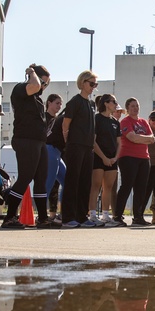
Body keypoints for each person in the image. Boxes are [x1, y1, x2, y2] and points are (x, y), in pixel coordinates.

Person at [3, 64, 58, 229]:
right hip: (25, 140)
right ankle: (10, 216)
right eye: (43, 82)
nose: (43, 87)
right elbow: (33, 86)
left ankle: (42, 218)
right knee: (25, 177)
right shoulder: (21, 90)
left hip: (39, 142)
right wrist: (32, 72)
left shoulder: (38, 100)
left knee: (40, 179)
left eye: (46, 84)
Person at [60, 71, 98, 228]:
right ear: (83, 83)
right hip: (75, 146)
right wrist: (68, 142)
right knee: (72, 181)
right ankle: (68, 217)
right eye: (91, 84)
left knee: (85, 183)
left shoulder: (90, 104)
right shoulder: (75, 102)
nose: (93, 87)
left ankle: (82, 216)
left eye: (95, 85)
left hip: (88, 148)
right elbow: (65, 124)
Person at [114, 98, 155, 226]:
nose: (135, 108)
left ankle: (138, 217)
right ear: (127, 108)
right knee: (127, 186)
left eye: (137, 106)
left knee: (141, 188)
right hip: (128, 157)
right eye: (132, 106)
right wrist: (144, 139)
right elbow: (132, 137)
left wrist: (140, 138)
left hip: (144, 158)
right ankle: (118, 216)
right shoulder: (125, 121)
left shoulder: (143, 122)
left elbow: (152, 138)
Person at [89, 93, 121, 226]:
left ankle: (106, 215)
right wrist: (104, 157)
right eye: (113, 102)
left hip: (112, 159)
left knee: (108, 187)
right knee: (95, 185)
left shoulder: (115, 122)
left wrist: (115, 157)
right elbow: (93, 141)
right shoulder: (96, 119)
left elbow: (119, 142)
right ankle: (91, 214)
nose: (115, 104)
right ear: (106, 103)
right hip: (98, 157)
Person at [44, 93, 66, 220]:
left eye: (61, 104)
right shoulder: (44, 118)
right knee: (49, 182)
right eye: (57, 103)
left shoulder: (59, 120)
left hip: (58, 152)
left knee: (67, 179)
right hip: (49, 150)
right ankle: (42, 214)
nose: (59, 106)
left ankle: (63, 212)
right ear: (49, 103)